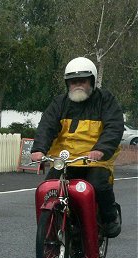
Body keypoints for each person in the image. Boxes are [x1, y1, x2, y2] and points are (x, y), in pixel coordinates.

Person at [30, 56, 124, 238]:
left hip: (95, 160)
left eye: (82, 81)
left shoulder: (106, 100)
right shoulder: (59, 103)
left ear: (92, 81)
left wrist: (101, 150)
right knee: (48, 187)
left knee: (98, 185)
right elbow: (46, 126)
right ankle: (52, 228)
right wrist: (38, 149)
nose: (78, 85)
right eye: (73, 82)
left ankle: (110, 218)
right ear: (67, 84)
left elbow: (114, 126)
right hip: (64, 159)